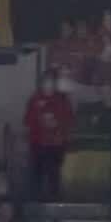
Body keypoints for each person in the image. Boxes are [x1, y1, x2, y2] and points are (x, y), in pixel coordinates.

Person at [24, 71, 74, 200]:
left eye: (50, 82)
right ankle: (36, 199)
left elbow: (68, 120)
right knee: (37, 173)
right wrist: (41, 121)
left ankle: (54, 197)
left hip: (56, 144)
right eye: (45, 82)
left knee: (54, 173)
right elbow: (28, 121)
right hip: (38, 143)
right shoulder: (34, 100)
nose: (48, 85)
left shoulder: (62, 101)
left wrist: (56, 124)